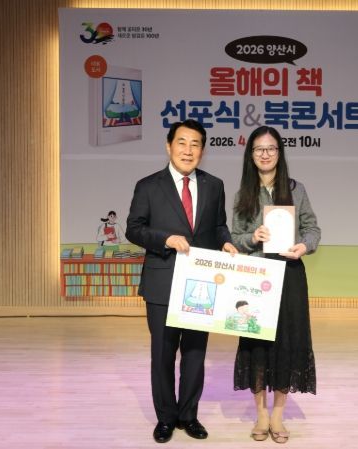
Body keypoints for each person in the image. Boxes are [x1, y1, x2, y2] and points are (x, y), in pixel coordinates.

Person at [125, 119, 238, 443]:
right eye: (182, 143)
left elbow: (218, 225)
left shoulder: (214, 185)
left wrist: (226, 242)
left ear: (202, 150)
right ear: (169, 146)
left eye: (195, 144)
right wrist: (165, 239)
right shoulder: (148, 186)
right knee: (162, 354)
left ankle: (188, 415)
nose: (188, 150)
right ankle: (165, 418)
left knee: (195, 353)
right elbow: (134, 228)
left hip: (201, 284)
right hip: (162, 282)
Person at [231, 126, 321, 443]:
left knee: (288, 343)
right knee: (256, 343)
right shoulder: (243, 194)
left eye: (271, 148)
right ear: (251, 155)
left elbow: (313, 229)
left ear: (279, 153)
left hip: (290, 274)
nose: (265, 154)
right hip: (256, 276)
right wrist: (252, 237)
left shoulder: (297, 189)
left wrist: (304, 246)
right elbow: (235, 238)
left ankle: (278, 415)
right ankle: (261, 414)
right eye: (259, 149)